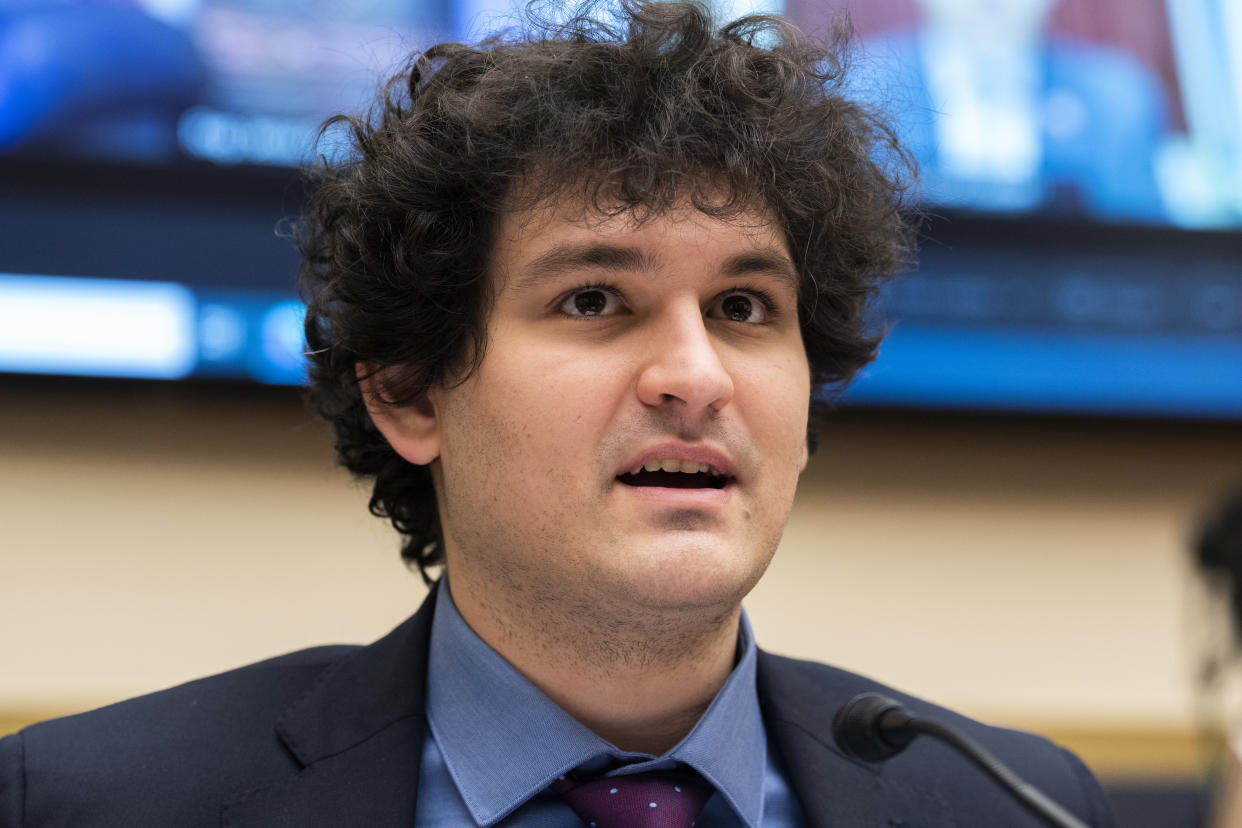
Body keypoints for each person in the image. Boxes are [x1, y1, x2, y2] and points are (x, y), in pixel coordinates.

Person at [0, 2, 1116, 825]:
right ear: (408, 390)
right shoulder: (95, 803)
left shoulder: (1012, 804)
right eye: (595, 300)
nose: (697, 374)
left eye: (743, 306)